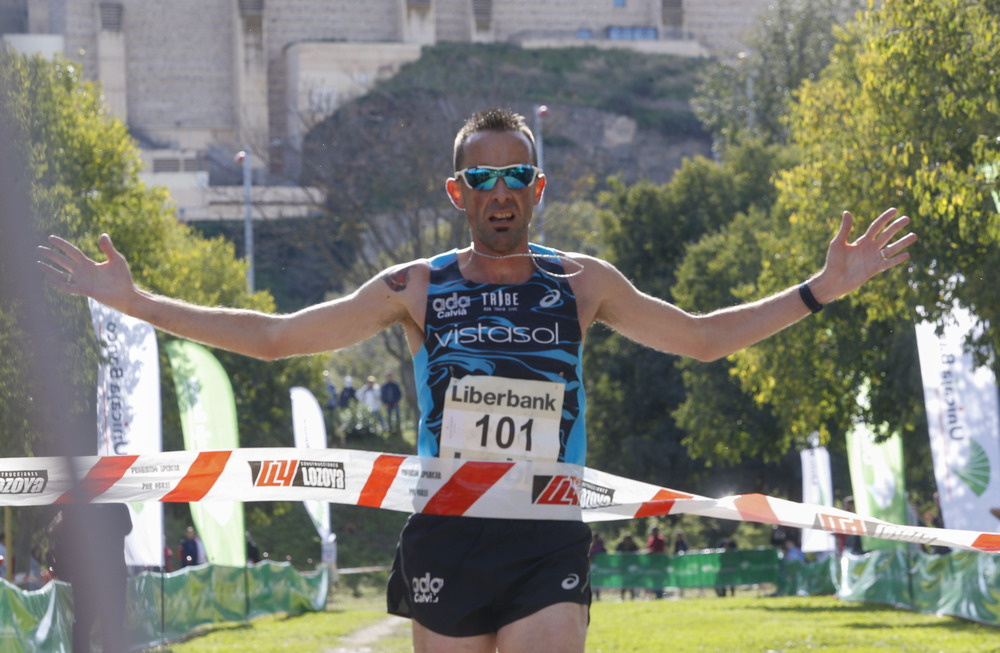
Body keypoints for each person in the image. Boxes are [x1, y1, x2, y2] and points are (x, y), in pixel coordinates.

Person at [38, 106, 915, 653]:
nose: (503, 192)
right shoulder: (418, 285)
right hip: (448, 536)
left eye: (518, 176)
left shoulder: (584, 283)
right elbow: (274, 338)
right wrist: (137, 299)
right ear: (459, 190)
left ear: (539, 186)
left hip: (547, 537)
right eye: (484, 178)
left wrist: (820, 289)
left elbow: (705, 339)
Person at [49, 504, 133, 653]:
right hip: (107, 575)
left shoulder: (76, 507)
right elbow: (127, 527)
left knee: (84, 623)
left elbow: (63, 533)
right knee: (108, 624)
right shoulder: (117, 505)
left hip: (88, 576)